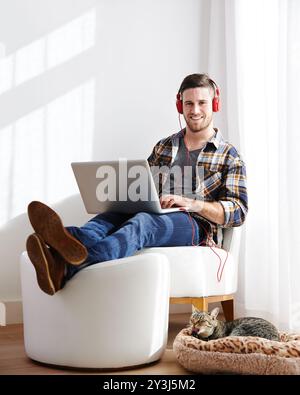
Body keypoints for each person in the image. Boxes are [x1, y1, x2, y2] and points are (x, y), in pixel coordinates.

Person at [26, 73, 248, 295]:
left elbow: (238, 211)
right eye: (189, 103)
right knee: (108, 218)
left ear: (214, 104)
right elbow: (145, 187)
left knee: (144, 222)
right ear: (180, 105)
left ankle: (67, 264)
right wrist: (126, 197)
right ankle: (59, 243)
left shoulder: (228, 155)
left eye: (202, 103)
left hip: (195, 225)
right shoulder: (164, 146)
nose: (195, 110)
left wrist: (193, 204)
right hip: (157, 211)